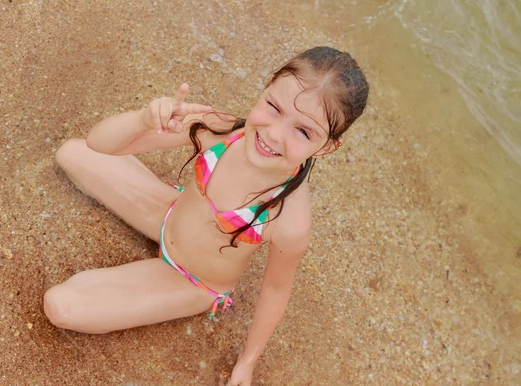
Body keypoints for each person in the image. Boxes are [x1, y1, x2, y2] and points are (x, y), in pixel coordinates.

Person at [43, 46, 369, 385]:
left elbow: (275, 289)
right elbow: (100, 142)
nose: (274, 134)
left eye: (303, 131)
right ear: (266, 86)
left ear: (328, 146)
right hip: (168, 214)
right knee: (73, 152)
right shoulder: (221, 131)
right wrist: (144, 120)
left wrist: (247, 361)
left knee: (61, 306)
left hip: (194, 279)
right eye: (273, 107)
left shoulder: (288, 219)